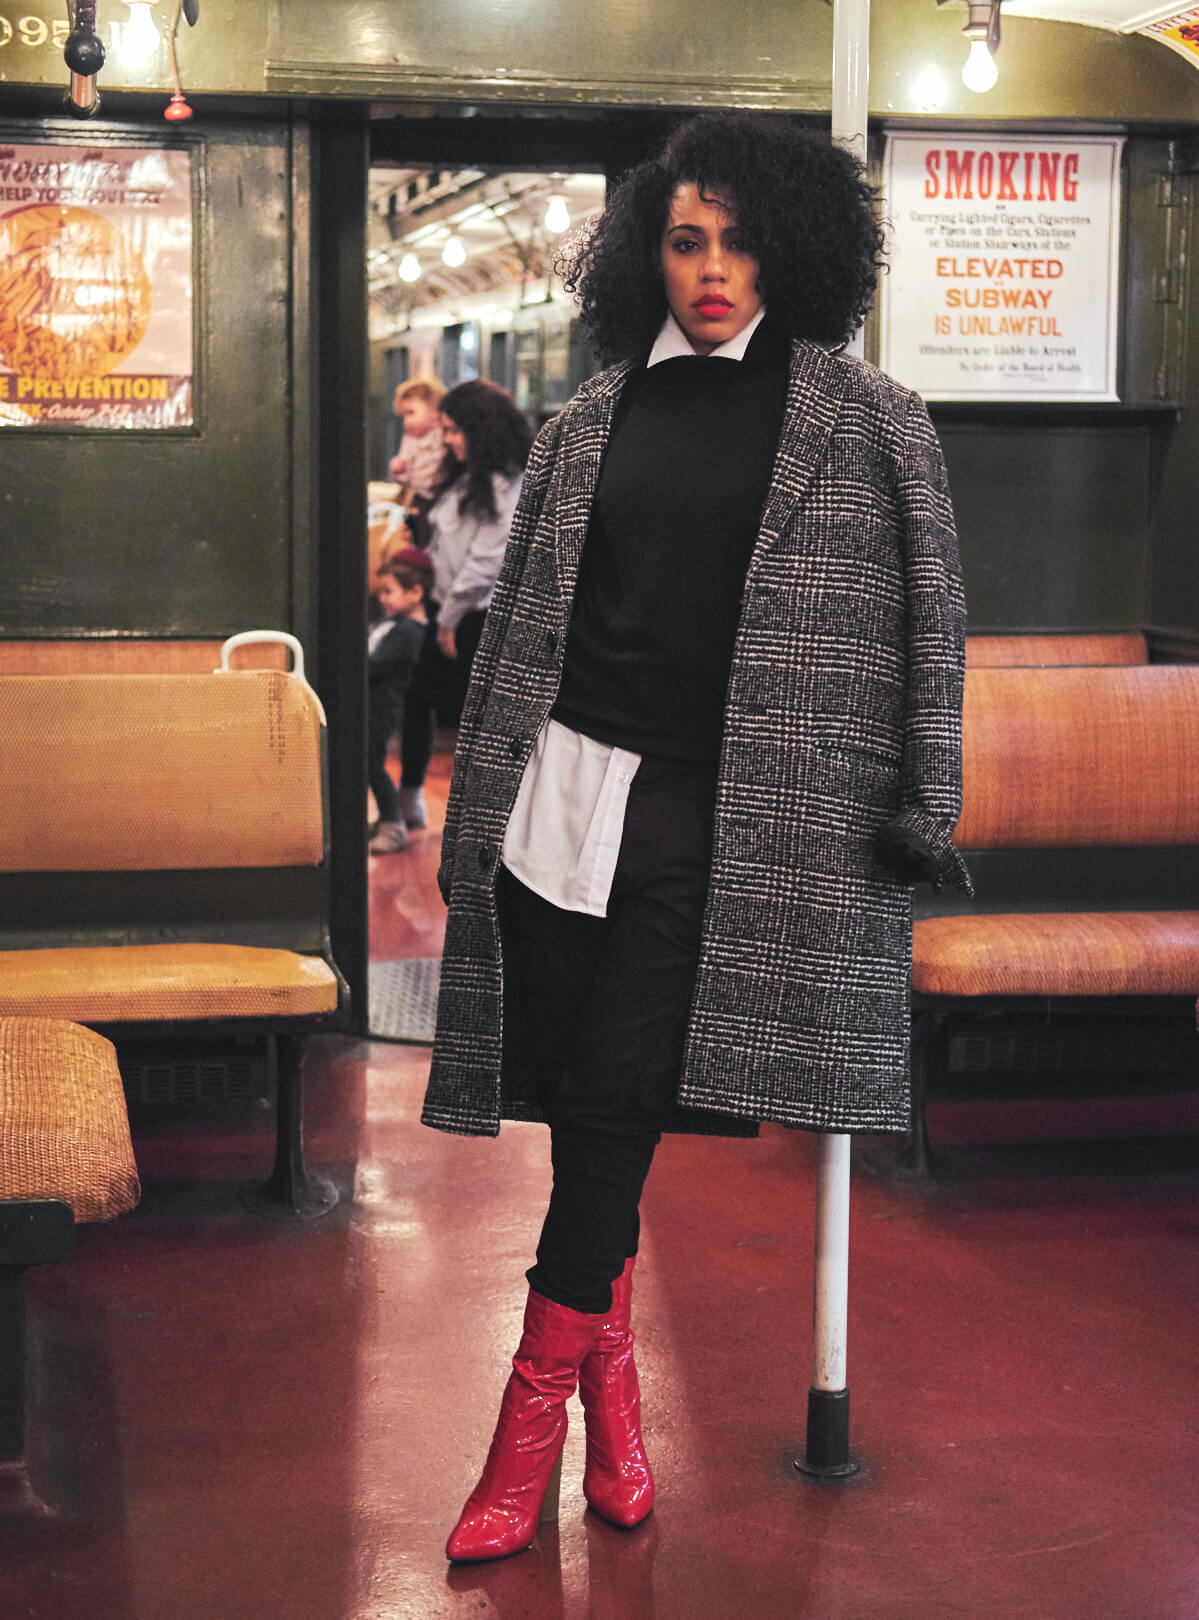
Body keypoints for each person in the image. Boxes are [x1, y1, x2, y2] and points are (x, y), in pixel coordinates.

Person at [422, 112, 973, 1563]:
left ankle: (521, 1426)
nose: (710, 270)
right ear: (641, 255)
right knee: (574, 1094)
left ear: (792, 248)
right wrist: (475, 805)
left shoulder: (865, 418)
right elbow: (521, 635)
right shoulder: (586, 421)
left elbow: (932, 629)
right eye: (682, 240)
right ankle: (612, 1395)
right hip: (557, 802)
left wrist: (927, 798)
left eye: (735, 240)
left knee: (613, 1092)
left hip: (719, 813)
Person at [397, 379, 532, 832]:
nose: (449, 440)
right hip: (446, 608)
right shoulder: (466, 476)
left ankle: (484, 821)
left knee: (481, 720)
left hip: (475, 616)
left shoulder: (503, 483)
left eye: (455, 430)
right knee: (420, 700)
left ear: (479, 428)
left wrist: (449, 619)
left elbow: (486, 562)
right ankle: (412, 799)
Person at [367, 547, 433, 854]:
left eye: (389, 592)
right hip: (372, 703)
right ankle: (388, 819)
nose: (382, 598)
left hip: (381, 707)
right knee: (369, 762)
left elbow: (375, 664)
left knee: (372, 763)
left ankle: (393, 825)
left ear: (415, 592)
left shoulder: (409, 632)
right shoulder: (389, 622)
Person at [388, 377, 447, 506]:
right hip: (415, 501)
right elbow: (404, 481)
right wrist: (398, 471)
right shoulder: (409, 440)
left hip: (438, 502)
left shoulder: (445, 438)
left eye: (411, 413)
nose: (406, 421)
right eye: (403, 415)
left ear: (435, 410)